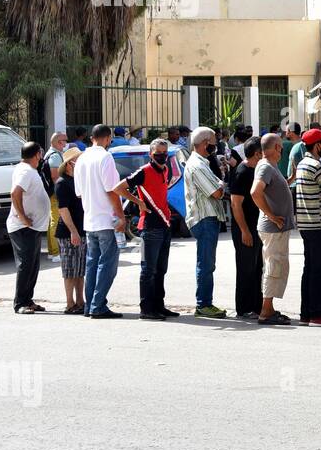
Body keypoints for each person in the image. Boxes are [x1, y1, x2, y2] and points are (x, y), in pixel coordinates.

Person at [113, 137, 179, 321]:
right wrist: (138, 202)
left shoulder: (166, 170)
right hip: (150, 226)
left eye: (165, 154)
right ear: (151, 154)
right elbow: (118, 188)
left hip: (164, 224)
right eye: (158, 154)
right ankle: (147, 309)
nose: (162, 157)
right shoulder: (144, 171)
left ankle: (159, 305)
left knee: (161, 269)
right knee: (148, 270)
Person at [291, 127, 321, 326]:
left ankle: (306, 313)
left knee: (309, 269)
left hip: (306, 223)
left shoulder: (303, 163)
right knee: (318, 270)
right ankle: (317, 313)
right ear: (318, 145)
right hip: (318, 224)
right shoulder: (316, 165)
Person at [76, 124, 126, 319]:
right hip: (106, 219)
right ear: (107, 138)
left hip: (90, 219)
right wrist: (120, 215)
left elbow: (79, 194)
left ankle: (91, 305)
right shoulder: (105, 157)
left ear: (92, 138)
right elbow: (112, 189)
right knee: (107, 264)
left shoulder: (81, 158)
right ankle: (98, 305)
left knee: (93, 264)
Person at [183, 127, 228, 319]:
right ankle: (203, 304)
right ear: (204, 144)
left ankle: (204, 303)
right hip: (204, 218)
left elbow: (218, 185)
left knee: (208, 263)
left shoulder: (202, 162)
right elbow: (217, 192)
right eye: (213, 142)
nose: (215, 145)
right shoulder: (197, 165)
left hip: (208, 217)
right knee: (206, 263)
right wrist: (221, 186)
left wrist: (220, 184)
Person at [251, 134, 295, 326]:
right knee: (273, 266)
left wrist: (290, 179)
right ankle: (266, 310)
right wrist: (271, 215)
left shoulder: (270, 166)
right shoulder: (266, 166)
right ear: (277, 147)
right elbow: (255, 192)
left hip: (278, 227)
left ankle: (269, 308)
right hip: (273, 228)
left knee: (277, 265)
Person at [7, 141, 50, 314]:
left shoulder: (28, 170)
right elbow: (15, 193)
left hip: (32, 227)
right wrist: (23, 217)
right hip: (22, 227)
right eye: (41, 153)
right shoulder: (25, 171)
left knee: (32, 265)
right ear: (38, 154)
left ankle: (28, 299)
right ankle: (20, 303)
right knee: (26, 265)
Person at [229, 136, 265, 321]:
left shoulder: (256, 170)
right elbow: (236, 204)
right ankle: (243, 308)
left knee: (257, 267)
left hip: (256, 227)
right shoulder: (241, 172)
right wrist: (244, 230)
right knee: (246, 269)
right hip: (245, 229)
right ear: (257, 153)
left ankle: (257, 306)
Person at [53, 147, 86, 314]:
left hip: (81, 230)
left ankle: (80, 301)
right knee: (70, 270)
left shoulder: (78, 181)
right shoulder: (62, 183)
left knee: (80, 270)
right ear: (68, 164)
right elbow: (63, 210)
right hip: (68, 233)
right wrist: (73, 231)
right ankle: (69, 303)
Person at [43, 132, 67, 258]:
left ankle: (52, 251)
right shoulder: (55, 156)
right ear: (59, 142)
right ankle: (56, 252)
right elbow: (54, 175)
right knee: (56, 220)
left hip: (51, 192)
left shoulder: (51, 153)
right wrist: (60, 192)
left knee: (52, 220)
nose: (66, 143)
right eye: (65, 140)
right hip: (55, 192)